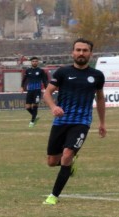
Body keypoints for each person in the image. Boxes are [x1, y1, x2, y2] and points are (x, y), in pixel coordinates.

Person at [42, 39, 106, 206]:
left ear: (90, 53)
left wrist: (102, 123)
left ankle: (53, 196)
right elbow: (47, 93)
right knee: (52, 162)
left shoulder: (97, 76)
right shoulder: (62, 72)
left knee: (68, 154)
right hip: (61, 122)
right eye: (78, 50)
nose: (81, 53)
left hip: (82, 122)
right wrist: (53, 107)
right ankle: (69, 166)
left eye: (85, 50)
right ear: (73, 52)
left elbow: (100, 98)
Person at [22, 56, 49, 127]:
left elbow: (44, 81)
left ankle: (32, 122)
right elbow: (24, 79)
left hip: (37, 91)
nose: (34, 62)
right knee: (27, 107)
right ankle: (35, 116)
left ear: (38, 62)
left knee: (35, 106)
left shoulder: (41, 71)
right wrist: (22, 87)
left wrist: (46, 89)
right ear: (31, 62)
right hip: (30, 91)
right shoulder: (28, 71)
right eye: (33, 61)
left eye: (36, 61)